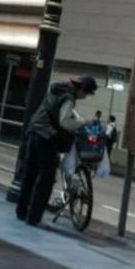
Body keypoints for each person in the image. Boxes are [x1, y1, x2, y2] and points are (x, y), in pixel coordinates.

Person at [15, 75, 98, 227]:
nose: (85, 97)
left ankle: (21, 211)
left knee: (30, 174)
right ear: (81, 89)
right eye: (86, 93)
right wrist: (84, 122)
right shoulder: (68, 97)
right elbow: (65, 121)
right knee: (46, 179)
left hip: (34, 131)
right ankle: (34, 218)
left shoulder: (57, 89)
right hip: (47, 137)